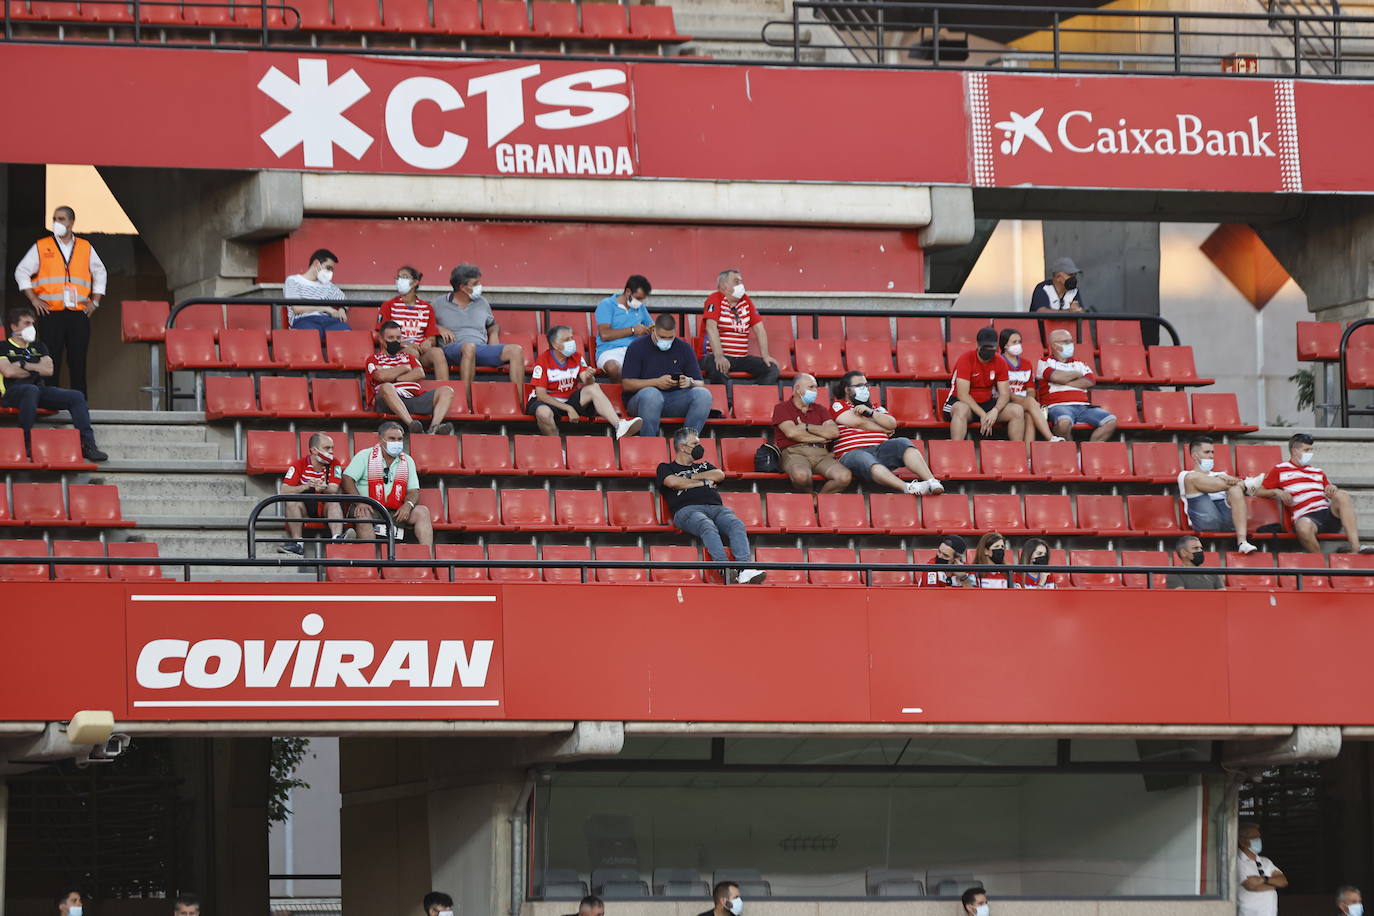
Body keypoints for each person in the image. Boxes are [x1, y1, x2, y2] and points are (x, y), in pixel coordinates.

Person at [13, 205, 105, 395]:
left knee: (78, 360)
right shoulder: (42, 245)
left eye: (61, 219)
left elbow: (100, 272)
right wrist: (34, 299)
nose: (57, 223)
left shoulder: (85, 247)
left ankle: (80, 403)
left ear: (71, 222)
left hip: (78, 313)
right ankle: (49, 402)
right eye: (55, 219)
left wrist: (95, 301)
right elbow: (21, 271)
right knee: (49, 360)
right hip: (51, 313)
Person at [658, 427, 765, 585]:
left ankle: (744, 569)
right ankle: (725, 569)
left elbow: (719, 475)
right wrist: (703, 482)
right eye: (694, 443)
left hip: (716, 508)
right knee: (706, 525)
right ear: (682, 447)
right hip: (686, 510)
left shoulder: (704, 465)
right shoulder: (666, 468)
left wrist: (691, 478)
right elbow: (672, 482)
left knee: (736, 524)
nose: (699, 447)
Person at [0, 308, 107, 460]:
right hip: (13, 392)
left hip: (39, 391)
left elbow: (49, 370)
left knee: (76, 396)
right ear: (14, 327)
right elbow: (9, 372)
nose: (31, 327)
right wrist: (37, 369)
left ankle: (88, 444)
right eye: (26, 323)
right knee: (30, 390)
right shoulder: (3, 347)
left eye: (33, 323)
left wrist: (23, 364)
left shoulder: (39, 346)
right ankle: (26, 442)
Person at [830, 371, 943, 495]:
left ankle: (932, 481)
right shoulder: (838, 405)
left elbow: (891, 423)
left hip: (880, 450)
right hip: (852, 454)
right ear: (847, 389)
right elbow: (857, 422)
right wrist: (882, 429)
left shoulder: (875, 407)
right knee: (864, 458)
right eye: (859, 385)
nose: (864, 389)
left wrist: (871, 413)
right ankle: (908, 488)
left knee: (903, 442)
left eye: (866, 385)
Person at [1260, 433, 1374, 555]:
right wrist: (1276, 491)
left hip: (1327, 514)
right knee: (1303, 526)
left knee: (1343, 495)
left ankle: (1356, 548)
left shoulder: (1317, 472)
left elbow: (1331, 491)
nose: (1310, 453)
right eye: (1306, 450)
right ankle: (1320, 562)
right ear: (1294, 451)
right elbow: (1258, 490)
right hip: (1306, 517)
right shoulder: (1280, 469)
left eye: (1311, 450)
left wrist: (1332, 488)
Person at [528, 325, 642, 439]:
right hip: (548, 401)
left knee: (594, 387)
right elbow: (541, 395)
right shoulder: (543, 361)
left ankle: (619, 426)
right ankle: (555, 447)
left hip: (569, 399)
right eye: (567, 340)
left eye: (572, 338)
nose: (572, 342)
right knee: (543, 413)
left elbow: (588, 382)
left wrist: (589, 376)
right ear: (555, 345)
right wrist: (568, 409)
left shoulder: (576, 357)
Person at [341, 421, 433, 549]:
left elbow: (413, 491)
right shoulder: (365, 455)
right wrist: (360, 502)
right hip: (370, 508)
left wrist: (408, 505)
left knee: (422, 512)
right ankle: (370, 562)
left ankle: (427, 560)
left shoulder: (408, 460)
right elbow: (347, 478)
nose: (396, 442)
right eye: (392, 439)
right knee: (363, 514)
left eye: (399, 439)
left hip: (396, 511)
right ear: (380, 439)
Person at [434, 264, 524, 393]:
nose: (480, 286)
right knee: (469, 347)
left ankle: (520, 404)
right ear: (463, 287)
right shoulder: (439, 303)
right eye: (475, 283)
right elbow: (424, 323)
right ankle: (466, 403)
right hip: (452, 349)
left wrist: (493, 334)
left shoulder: (482, 302)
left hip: (480, 349)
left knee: (516, 350)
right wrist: (438, 328)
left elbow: (493, 324)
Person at [620, 314, 713, 437]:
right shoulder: (637, 347)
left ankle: (687, 442)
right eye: (662, 337)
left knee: (703, 395)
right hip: (641, 400)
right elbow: (627, 384)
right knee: (651, 394)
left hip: (674, 399)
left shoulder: (684, 348)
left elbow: (700, 383)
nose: (666, 341)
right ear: (654, 330)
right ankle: (650, 444)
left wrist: (689, 382)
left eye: (670, 337)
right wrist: (656, 382)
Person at [367, 321, 455, 435]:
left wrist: (394, 377)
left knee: (447, 391)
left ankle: (434, 428)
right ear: (381, 339)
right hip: (389, 401)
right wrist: (405, 368)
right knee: (386, 387)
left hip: (414, 397)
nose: (395, 341)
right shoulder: (373, 359)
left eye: (398, 337)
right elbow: (381, 376)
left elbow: (419, 373)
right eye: (391, 338)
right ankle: (412, 425)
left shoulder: (408, 356)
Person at [1179, 436, 1259, 555]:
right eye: (1206, 452)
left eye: (1212, 452)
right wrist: (1236, 482)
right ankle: (1245, 485)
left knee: (1235, 489)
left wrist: (1231, 482)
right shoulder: (1185, 474)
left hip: (1228, 520)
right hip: (1204, 519)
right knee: (1192, 479)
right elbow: (1199, 480)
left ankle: (1242, 542)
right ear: (1195, 455)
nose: (1211, 456)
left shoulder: (1221, 474)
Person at [773, 373, 851, 494]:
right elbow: (792, 433)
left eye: (816, 387)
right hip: (794, 452)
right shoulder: (782, 408)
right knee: (800, 476)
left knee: (844, 477)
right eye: (811, 387)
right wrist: (820, 438)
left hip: (822, 454)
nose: (815, 391)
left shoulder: (820, 409)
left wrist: (807, 427)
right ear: (797, 388)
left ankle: (817, 500)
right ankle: (810, 496)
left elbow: (834, 432)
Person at [702, 269, 780, 386]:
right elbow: (711, 328)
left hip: (741, 358)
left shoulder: (746, 301)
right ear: (724, 285)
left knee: (772, 368)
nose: (741, 285)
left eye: (741, 281)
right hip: (716, 356)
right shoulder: (714, 298)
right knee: (718, 366)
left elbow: (759, 329)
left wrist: (765, 355)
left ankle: (754, 395)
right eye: (736, 281)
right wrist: (719, 356)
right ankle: (726, 402)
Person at [945, 327, 1024, 441]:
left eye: (991, 347)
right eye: (985, 346)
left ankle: (1017, 454)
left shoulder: (1000, 361)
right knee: (961, 409)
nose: (988, 349)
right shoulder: (966, 359)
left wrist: (995, 410)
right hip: (960, 402)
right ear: (977, 345)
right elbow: (962, 395)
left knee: (1017, 410)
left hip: (987, 403)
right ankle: (957, 451)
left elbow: (1004, 394)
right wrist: (983, 414)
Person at [1037, 329, 1117, 442]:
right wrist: (1077, 374)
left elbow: (1089, 381)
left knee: (1111, 421)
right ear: (1055, 345)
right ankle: (1071, 452)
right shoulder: (1044, 362)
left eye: (1071, 341)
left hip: (1083, 406)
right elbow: (1055, 377)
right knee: (1063, 423)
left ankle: (1088, 451)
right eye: (1066, 341)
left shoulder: (1079, 362)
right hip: (1058, 406)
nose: (1070, 344)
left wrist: (1064, 380)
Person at [279, 432, 350, 556]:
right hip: (306, 507)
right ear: (314, 450)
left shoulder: (335, 464)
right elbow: (284, 489)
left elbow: (333, 489)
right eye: (327, 448)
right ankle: (297, 543)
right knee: (291, 501)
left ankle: (337, 540)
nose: (331, 451)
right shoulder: (299, 464)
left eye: (332, 448)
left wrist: (323, 487)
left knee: (333, 499)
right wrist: (306, 486)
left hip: (325, 506)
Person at [378, 266, 448, 381]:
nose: (400, 280)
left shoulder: (426, 308)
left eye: (404, 277)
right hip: (397, 350)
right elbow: (381, 335)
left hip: (421, 351)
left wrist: (428, 342)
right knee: (411, 353)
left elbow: (432, 337)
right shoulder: (388, 306)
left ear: (415, 282)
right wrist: (404, 344)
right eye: (398, 277)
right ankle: (412, 391)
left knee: (438, 352)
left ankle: (445, 389)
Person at [998, 328, 1060, 444]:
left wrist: (1029, 400)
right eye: (1014, 342)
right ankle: (1050, 437)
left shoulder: (1026, 363)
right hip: (1005, 402)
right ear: (1005, 344)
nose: (1018, 345)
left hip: (1024, 402)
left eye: (1019, 342)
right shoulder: (999, 362)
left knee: (1030, 415)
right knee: (1031, 404)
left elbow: (1031, 390)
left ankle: (1027, 458)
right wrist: (1028, 401)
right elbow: (1005, 392)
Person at [594, 275, 654, 383]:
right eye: (638, 298)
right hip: (609, 351)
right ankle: (624, 395)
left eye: (643, 299)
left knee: (658, 364)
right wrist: (633, 330)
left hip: (635, 350)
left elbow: (652, 326)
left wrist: (651, 330)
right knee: (613, 368)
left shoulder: (640, 308)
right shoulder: (607, 305)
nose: (640, 302)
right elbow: (605, 335)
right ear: (628, 292)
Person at [284, 248, 350, 336]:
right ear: (316, 263)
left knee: (345, 331)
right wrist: (325, 308)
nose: (330, 272)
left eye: (332, 270)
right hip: (304, 320)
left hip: (328, 321)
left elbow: (345, 301)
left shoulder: (328, 285)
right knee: (310, 335)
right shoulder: (293, 281)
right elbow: (297, 308)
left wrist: (342, 309)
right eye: (328, 268)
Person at [1237, 821, 1286, 916]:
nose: (1258, 840)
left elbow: (1283, 881)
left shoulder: (1266, 861)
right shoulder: (1236, 862)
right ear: (1242, 842)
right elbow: (1251, 886)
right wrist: (1274, 884)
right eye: (1254, 838)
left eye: (1259, 837)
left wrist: (1263, 879)